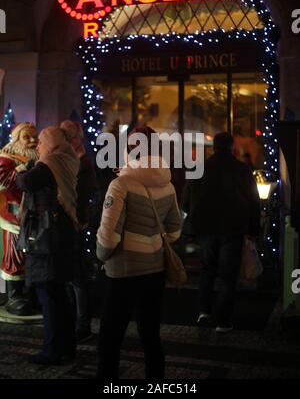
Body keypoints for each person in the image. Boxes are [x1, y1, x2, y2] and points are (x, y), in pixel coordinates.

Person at [96, 126, 181, 380]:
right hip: (154, 269)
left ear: (129, 150)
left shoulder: (120, 183)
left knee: (110, 338)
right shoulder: (167, 183)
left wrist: (101, 255)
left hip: (123, 271)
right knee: (150, 336)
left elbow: (108, 234)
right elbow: (175, 231)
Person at [16, 126, 79, 365]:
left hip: (46, 240)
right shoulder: (67, 158)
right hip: (61, 236)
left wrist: (22, 167)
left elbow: (25, 182)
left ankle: (51, 351)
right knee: (60, 296)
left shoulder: (48, 163)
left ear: (50, 143)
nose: (38, 146)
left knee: (49, 296)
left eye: (41, 141)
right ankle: (67, 347)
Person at [190, 132, 260, 332]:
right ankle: (223, 320)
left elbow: (191, 197)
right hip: (233, 227)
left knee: (207, 270)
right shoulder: (242, 169)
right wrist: (253, 229)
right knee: (228, 276)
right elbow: (253, 200)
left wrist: (193, 226)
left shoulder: (201, 168)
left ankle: (204, 312)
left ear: (213, 147)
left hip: (207, 227)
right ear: (232, 147)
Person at [60, 120, 97, 342]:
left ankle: (82, 325)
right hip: (74, 223)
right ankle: (76, 322)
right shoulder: (74, 159)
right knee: (73, 277)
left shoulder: (81, 161)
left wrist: (81, 220)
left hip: (77, 224)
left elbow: (82, 194)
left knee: (77, 277)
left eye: (65, 136)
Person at [0, 122, 38, 315]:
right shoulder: (6, 158)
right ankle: (14, 296)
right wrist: (22, 170)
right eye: (27, 137)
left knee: (32, 253)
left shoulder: (39, 157)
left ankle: (30, 293)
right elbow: (4, 181)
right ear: (16, 139)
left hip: (34, 215)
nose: (32, 140)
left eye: (34, 136)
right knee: (14, 254)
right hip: (13, 215)